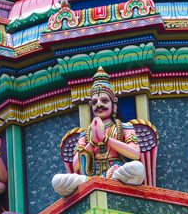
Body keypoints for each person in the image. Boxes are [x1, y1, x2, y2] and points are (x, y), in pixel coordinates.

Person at [52, 68, 146, 196]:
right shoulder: (85, 135)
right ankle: (96, 181)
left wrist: (106, 139)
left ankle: (108, 179)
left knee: (137, 168)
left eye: (104, 101)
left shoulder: (124, 127)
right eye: (95, 102)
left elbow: (135, 153)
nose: (99, 105)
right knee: (57, 181)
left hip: (116, 172)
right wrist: (92, 143)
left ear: (114, 105)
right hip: (91, 177)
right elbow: (76, 165)